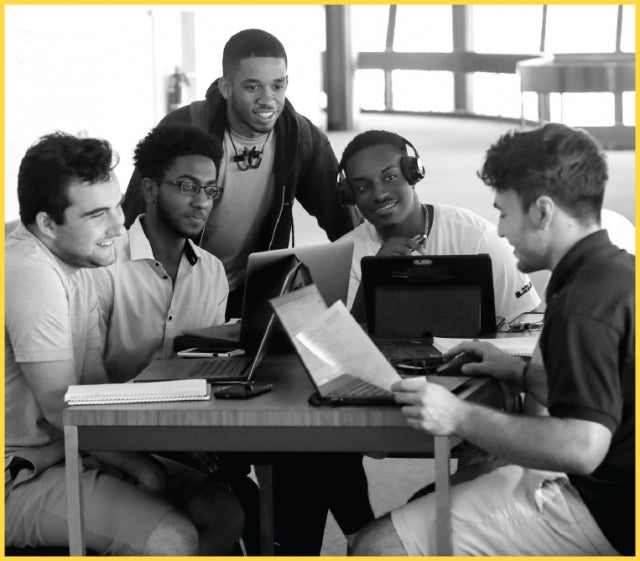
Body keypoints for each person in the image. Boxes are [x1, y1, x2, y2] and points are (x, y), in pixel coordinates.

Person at [352, 123, 634, 555]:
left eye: (504, 213)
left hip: (601, 508)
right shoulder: (616, 272)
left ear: (542, 211)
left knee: (378, 545)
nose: (500, 231)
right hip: (616, 488)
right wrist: (517, 372)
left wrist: (457, 415)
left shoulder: (581, 305)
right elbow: (601, 398)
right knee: (422, 506)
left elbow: (581, 447)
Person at [5, 132, 243, 555]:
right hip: (23, 473)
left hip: (74, 450)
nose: (119, 225)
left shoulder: (79, 262)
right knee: (173, 539)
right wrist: (143, 467)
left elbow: (92, 384)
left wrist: (148, 452)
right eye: (98, 214)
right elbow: (62, 404)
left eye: (116, 205)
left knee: (223, 511)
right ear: (47, 224)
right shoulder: (29, 272)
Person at [122, 28, 357, 318]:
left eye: (277, 86)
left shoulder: (301, 138)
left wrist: (375, 263)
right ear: (226, 87)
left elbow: (345, 221)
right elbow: (132, 217)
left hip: (252, 290)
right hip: (180, 286)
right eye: (252, 87)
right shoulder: (183, 128)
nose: (268, 100)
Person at [335, 129, 541, 323]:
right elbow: (344, 346)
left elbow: (527, 328)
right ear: (351, 195)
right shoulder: (344, 255)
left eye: (390, 177)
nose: (379, 194)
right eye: (362, 187)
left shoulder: (478, 237)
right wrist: (374, 279)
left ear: (413, 174)